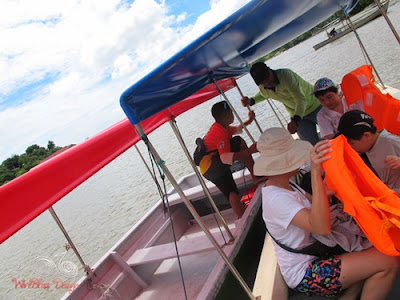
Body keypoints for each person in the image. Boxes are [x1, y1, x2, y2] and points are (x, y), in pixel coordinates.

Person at [253, 127, 399, 299]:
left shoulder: (286, 184)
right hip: (305, 273)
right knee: (389, 261)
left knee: (375, 245)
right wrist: (315, 173)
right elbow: (321, 227)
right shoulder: (276, 198)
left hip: (320, 252)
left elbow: (316, 202)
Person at [201, 101, 261, 218]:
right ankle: (243, 218)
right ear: (226, 116)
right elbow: (225, 158)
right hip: (211, 166)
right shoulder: (220, 132)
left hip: (212, 162)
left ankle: (255, 177)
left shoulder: (223, 126)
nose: (233, 114)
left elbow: (237, 129)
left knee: (238, 141)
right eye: (231, 112)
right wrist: (249, 151)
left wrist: (249, 120)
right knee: (231, 191)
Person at [241, 62, 322, 145]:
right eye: (264, 82)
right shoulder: (263, 87)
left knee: (333, 132)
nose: (268, 83)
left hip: (315, 105)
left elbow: (301, 99)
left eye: (268, 79)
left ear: (269, 70)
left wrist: (295, 121)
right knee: (309, 145)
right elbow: (263, 95)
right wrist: (251, 101)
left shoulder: (286, 76)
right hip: (297, 115)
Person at [337, 110, 400, 196]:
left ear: (367, 136)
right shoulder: (369, 147)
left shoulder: (391, 142)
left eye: (352, 143)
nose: (352, 148)